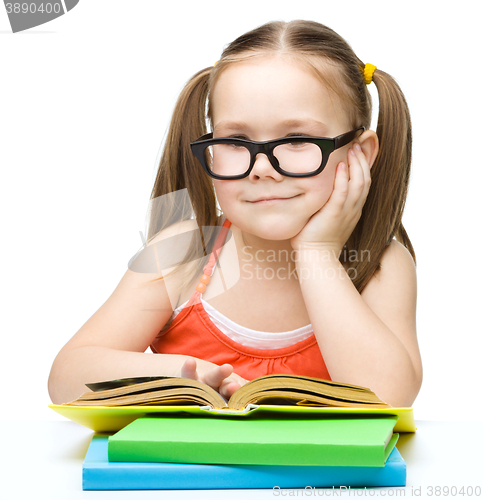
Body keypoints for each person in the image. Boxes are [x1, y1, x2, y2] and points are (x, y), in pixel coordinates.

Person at [48, 20, 422, 408]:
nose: (262, 167)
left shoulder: (379, 265)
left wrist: (317, 251)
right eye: (237, 141)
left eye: (296, 139)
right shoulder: (183, 253)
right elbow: (67, 378)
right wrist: (185, 374)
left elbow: (388, 399)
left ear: (360, 153)